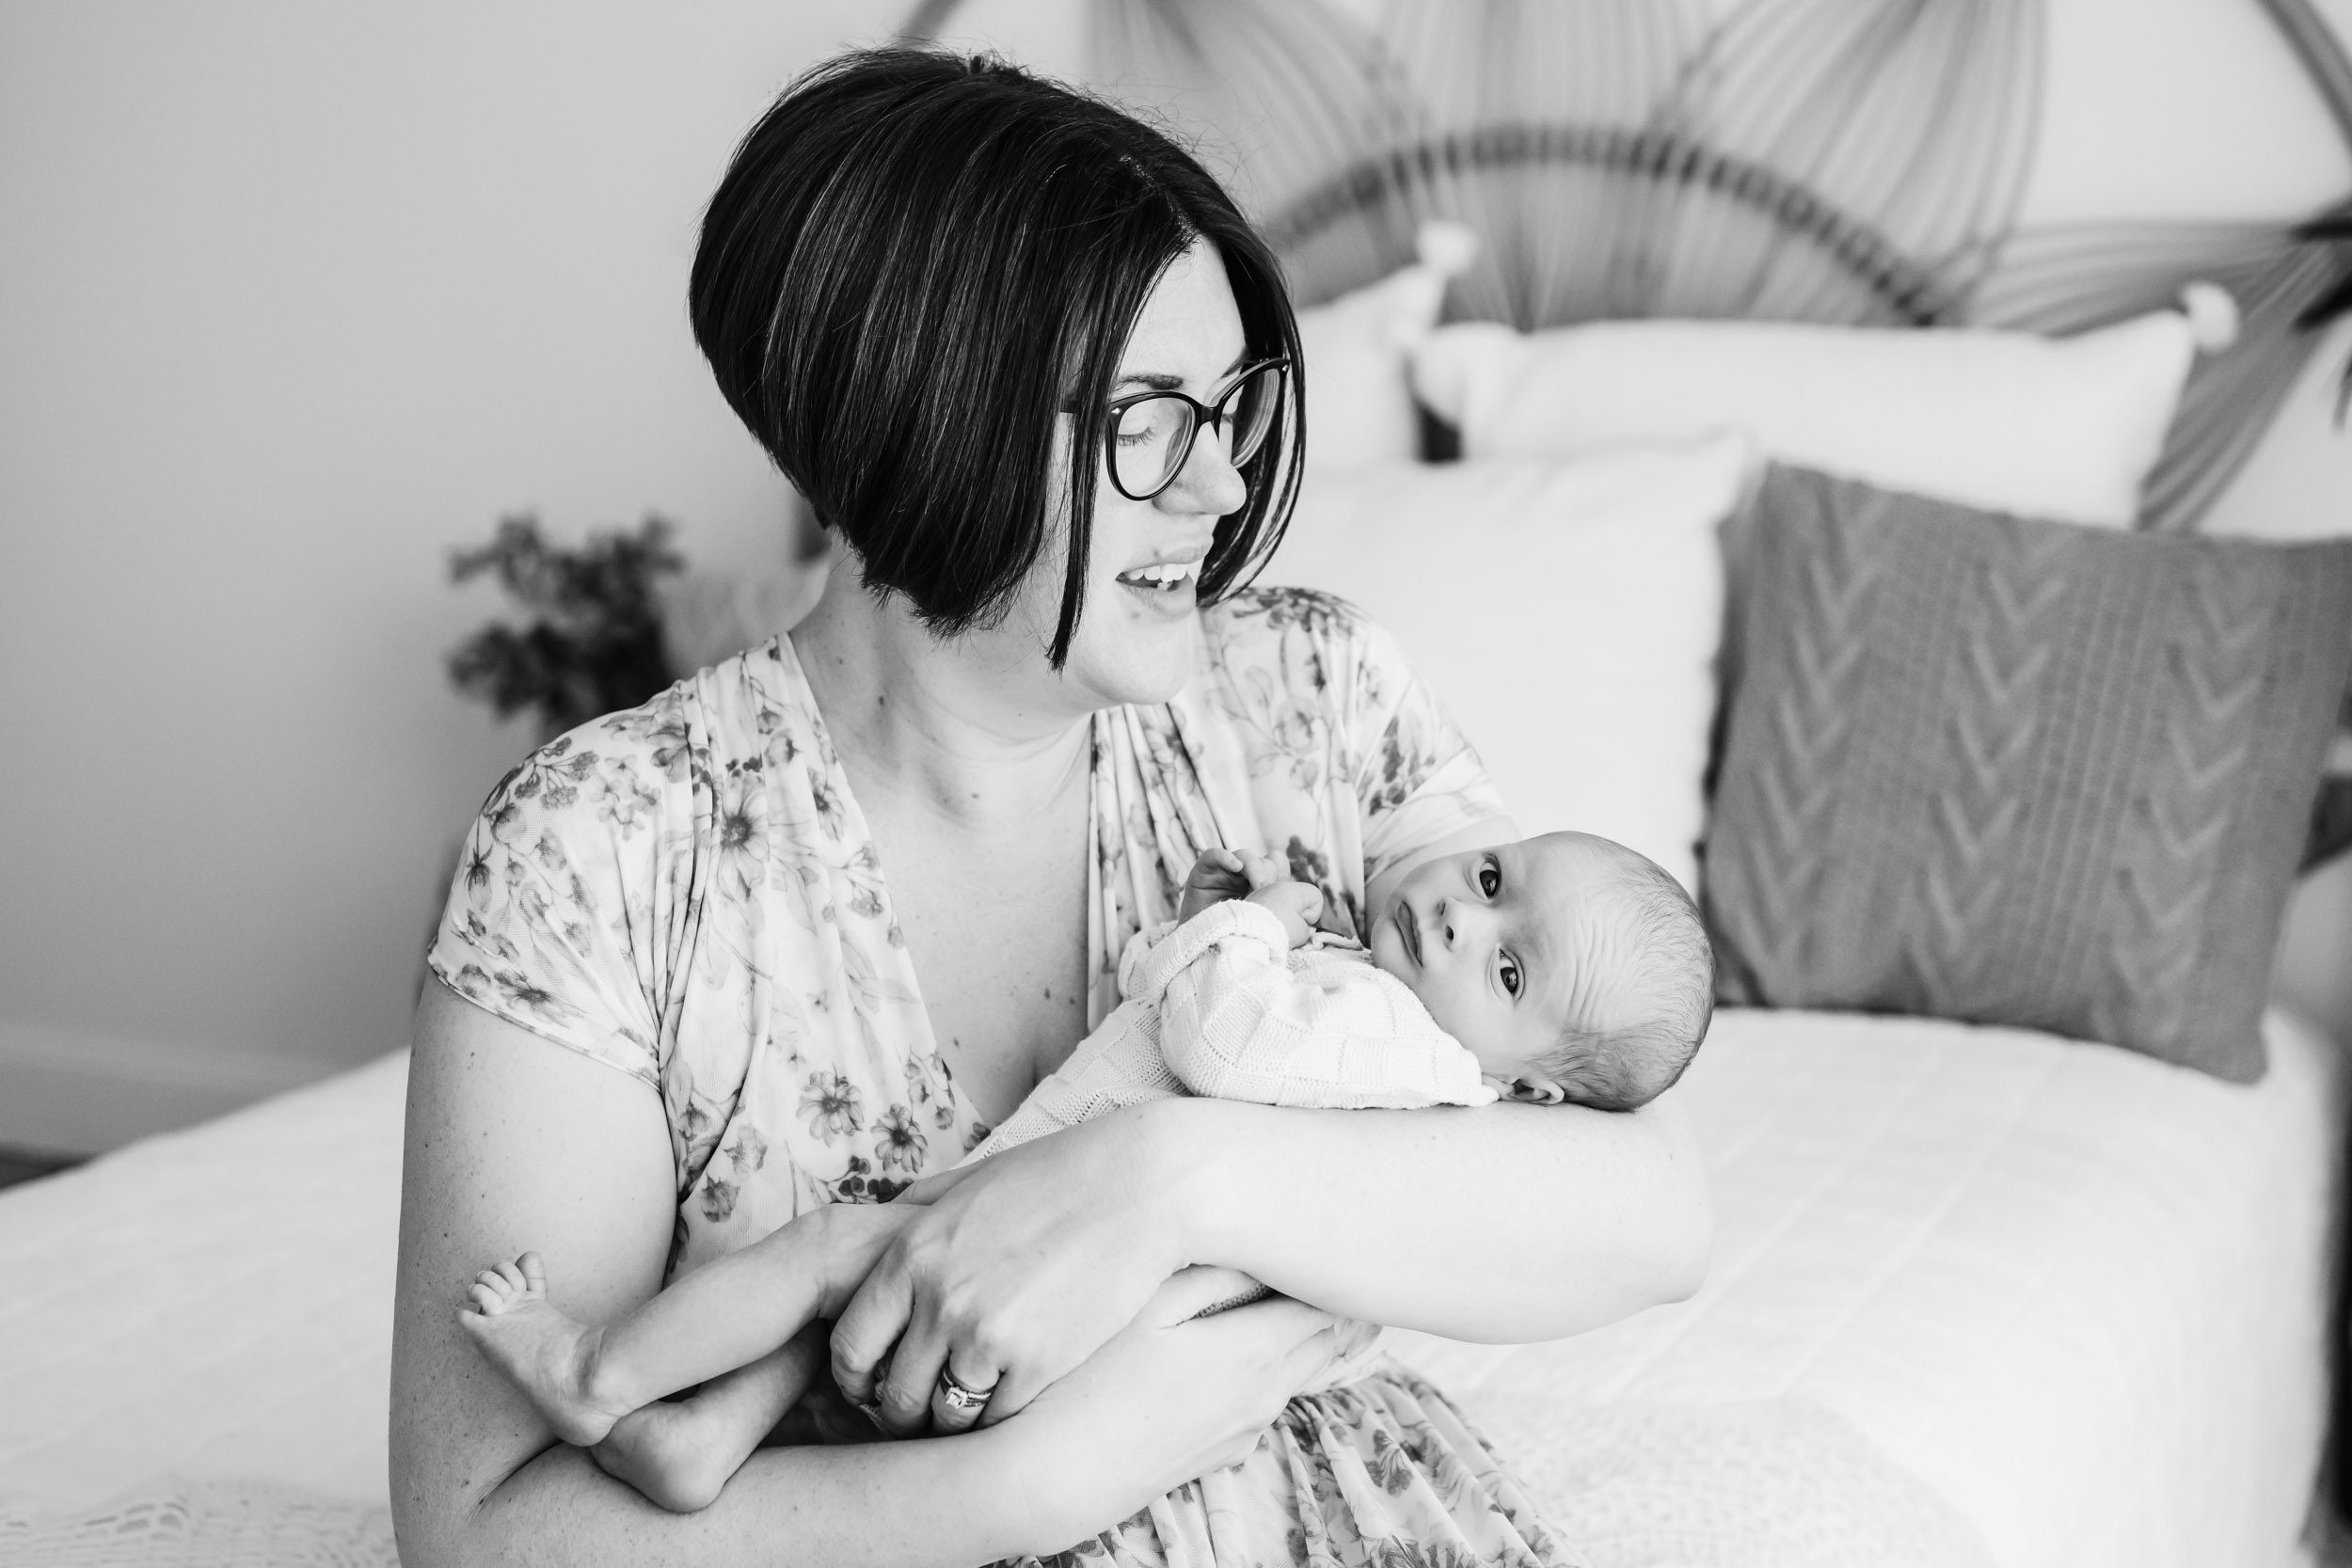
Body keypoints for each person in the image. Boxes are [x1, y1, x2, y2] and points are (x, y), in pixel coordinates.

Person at [391, 45, 1710, 1568]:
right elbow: (484, 1533)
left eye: (1230, 410)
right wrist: (1026, 1486)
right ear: (924, 417)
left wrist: (1161, 1184)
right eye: (1149, 419)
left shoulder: (1312, 697)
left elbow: (1658, 1212)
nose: (1220, 490)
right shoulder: (601, 853)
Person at [449, 832, 1713, 1513]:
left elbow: (1214, 1031)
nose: (1459, 917)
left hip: (1065, 1297)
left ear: (1536, 1086)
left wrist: (1250, 920)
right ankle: (703, 1442)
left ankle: (598, 1369)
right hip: (1073, 1313)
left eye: (1507, 969)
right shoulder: (1407, 1030)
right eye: (1491, 879)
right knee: (838, 1310)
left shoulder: (1389, 1034)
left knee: (835, 1249)